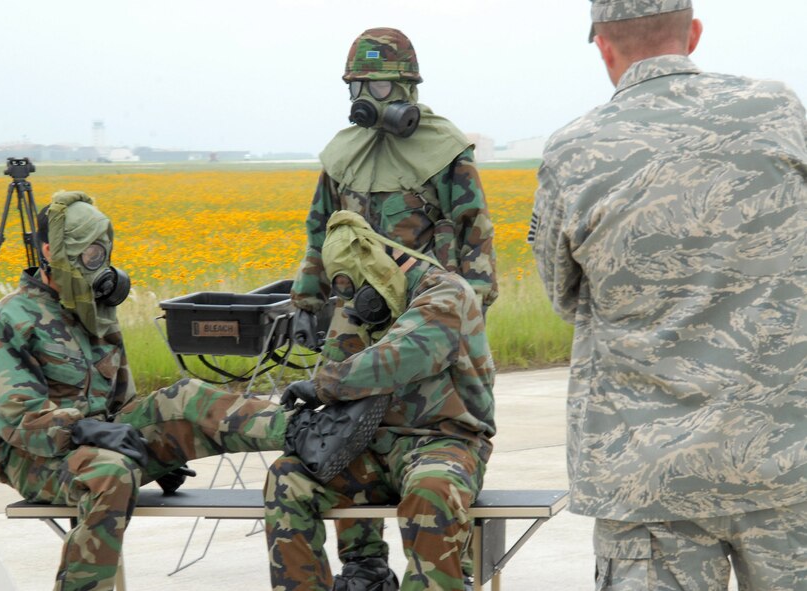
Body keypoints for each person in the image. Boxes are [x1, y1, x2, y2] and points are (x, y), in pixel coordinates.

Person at [529, 1, 807, 588]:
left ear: (604, 47)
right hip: (785, 461)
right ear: (694, 34)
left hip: (645, 475)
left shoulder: (574, 150)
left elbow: (562, 294)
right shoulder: (780, 111)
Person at [0, 191, 297, 591]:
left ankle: (307, 430)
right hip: (30, 453)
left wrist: (154, 444)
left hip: (95, 439)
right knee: (112, 471)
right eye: (86, 254)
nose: (95, 263)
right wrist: (83, 430)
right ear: (49, 251)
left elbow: (123, 405)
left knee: (184, 398)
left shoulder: (93, 309)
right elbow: (17, 420)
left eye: (100, 253)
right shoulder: (10, 319)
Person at [289, 26, 498, 587]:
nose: (365, 97)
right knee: (345, 430)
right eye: (357, 86)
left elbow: (476, 239)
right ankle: (364, 565)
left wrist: (462, 320)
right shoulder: (342, 155)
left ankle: (442, 564)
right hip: (356, 316)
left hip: (424, 316)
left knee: (428, 439)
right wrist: (307, 299)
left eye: (377, 87)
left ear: (406, 88)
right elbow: (320, 231)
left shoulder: (445, 151)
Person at [266, 210, 496, 591]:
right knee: (288, 477)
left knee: (432, 489)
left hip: (442, 442)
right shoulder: (358, 305)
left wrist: (323, 385)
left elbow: (402, 356)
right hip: (373, 449)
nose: (354, 300)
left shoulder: (446, 294)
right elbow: (340, 382)